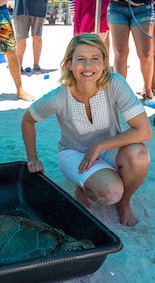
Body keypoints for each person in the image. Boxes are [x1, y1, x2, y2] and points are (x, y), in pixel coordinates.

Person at [22, 33, 151, 227]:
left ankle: (124, 204)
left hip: (108, 147)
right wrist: (32, 157)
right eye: (80, 59)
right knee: (111, 192)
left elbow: (144, 131)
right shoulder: (59, 97)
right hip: (74, 152)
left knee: (139, 154)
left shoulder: (115, 83)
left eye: (95, 59)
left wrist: (100, 145)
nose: (88, 66)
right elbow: (27, 120)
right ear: (69, 64)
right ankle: (84, 185)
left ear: (104, 63)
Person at [107, 0, 154, 99]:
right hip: (117, 7)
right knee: (120, 53)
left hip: (143, 7)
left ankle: (147, 88)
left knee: (146, 54)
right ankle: (120, 93)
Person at [13, 0, 48, 74]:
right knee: (20, 38)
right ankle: (19, 65)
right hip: (20, 8)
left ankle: (36, 65)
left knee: (37, 37)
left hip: (39, 7)